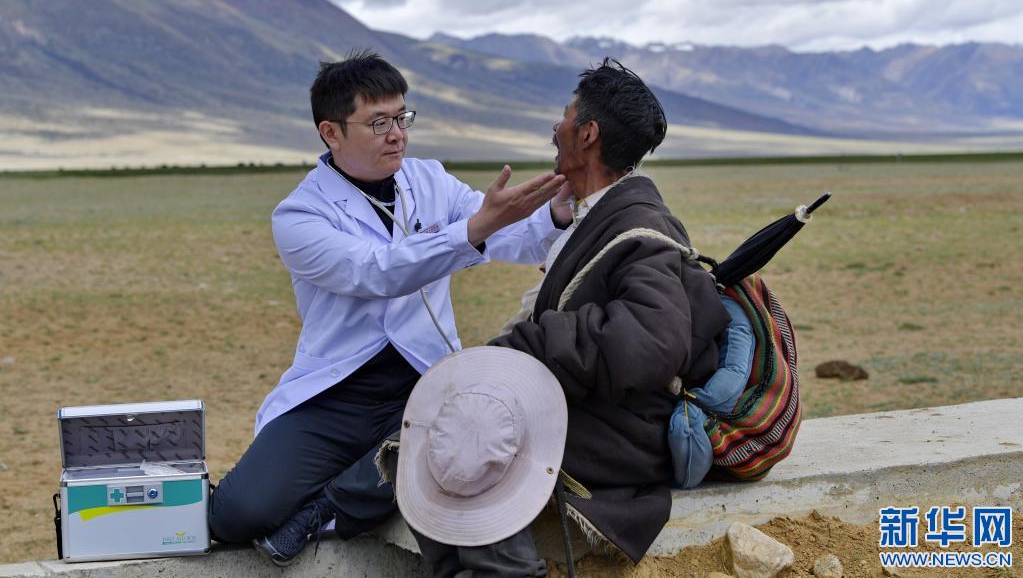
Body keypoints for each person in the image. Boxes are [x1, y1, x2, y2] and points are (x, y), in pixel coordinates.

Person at [207, 50, 572, 566]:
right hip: (337, 394)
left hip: (423, 383)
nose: (397, 134)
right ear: (331, 133)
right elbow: (376, 272)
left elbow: (512, 236)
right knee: (237, 514)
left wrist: (556, 213)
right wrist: (475, 229)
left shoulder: (430, 181)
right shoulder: (300, 215)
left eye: (402, 118)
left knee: (464, 446)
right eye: (378, 123)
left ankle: (327, 508)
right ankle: (363, 477)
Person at [397, 58, 731, 574]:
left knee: (472, 437)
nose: (556, 129)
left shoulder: (640, 230)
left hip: (624, 431)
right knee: (439, 433)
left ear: (588, 134)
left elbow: (652, 344)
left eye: (565, 117)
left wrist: (531, 343)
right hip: (596, 409)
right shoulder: (598, 214)